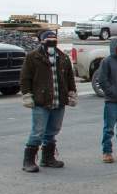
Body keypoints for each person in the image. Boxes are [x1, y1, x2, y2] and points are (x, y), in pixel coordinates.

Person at [20, 28, 77, 172]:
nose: (52, 43)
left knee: (52, 131)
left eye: (54, 40)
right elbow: (25, 78)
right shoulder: (33, 57)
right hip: (41, 101)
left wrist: (72, 92)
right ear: (42, 42)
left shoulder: (63, 57)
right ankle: (28, 161)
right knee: (37, 131)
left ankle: (48, 158)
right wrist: (27, 95)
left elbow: (70, 77)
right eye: (48, 40)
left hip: (59, 101)